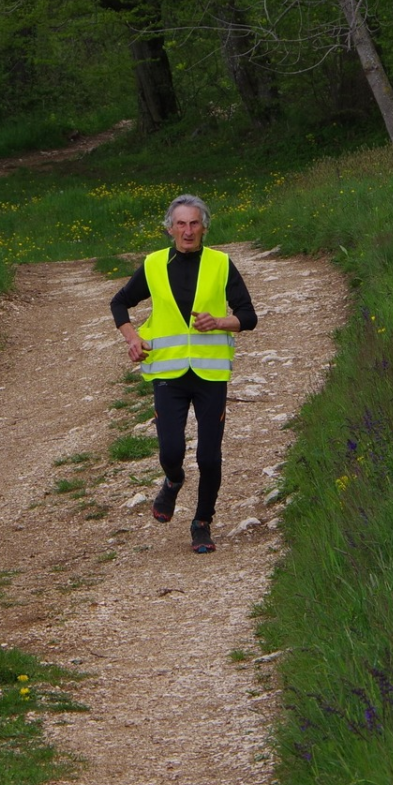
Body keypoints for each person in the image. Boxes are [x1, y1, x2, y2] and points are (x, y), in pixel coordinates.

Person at [110, 194, 257, 553]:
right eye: (181, 223)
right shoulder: (154, 264)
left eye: (194, 223)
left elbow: (248, 316)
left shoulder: (222, 264)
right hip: (167, 373)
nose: (188, 231)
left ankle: (202, 521)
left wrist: (220, 321)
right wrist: (133, 339)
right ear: (169, 228)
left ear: (204, 227)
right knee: (170, 452)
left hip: (210, 375)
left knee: (209, 456)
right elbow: (119, 303)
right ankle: (173, 481)